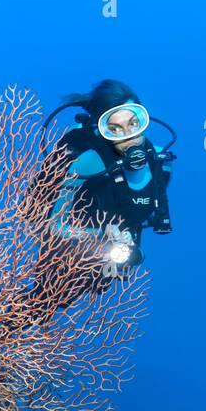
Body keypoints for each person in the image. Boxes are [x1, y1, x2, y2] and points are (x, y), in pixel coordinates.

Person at [35, 79, 176, 311]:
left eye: (134, 123)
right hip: (71, 249)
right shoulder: (89, 163)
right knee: (48, 300)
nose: (129, 135)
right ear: (102, 131)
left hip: (113, 257)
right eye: (115, 129)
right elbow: (53, 225)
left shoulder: (161, 162)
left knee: (95, 285)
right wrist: (98, 233)